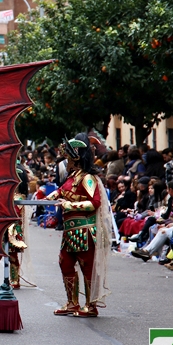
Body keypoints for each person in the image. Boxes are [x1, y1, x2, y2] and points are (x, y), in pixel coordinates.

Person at [46, 134, 111, 317]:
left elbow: (95, 202)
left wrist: (69, 205)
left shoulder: (87, 178)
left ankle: (91, 305)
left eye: (67, 158)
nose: (65, 162)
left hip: (84, 229)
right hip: (69, 230)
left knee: (86, 266)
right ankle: (72, 302)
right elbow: (60, 191)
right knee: (65, 263)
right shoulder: (72, 176)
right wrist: (48, 198)